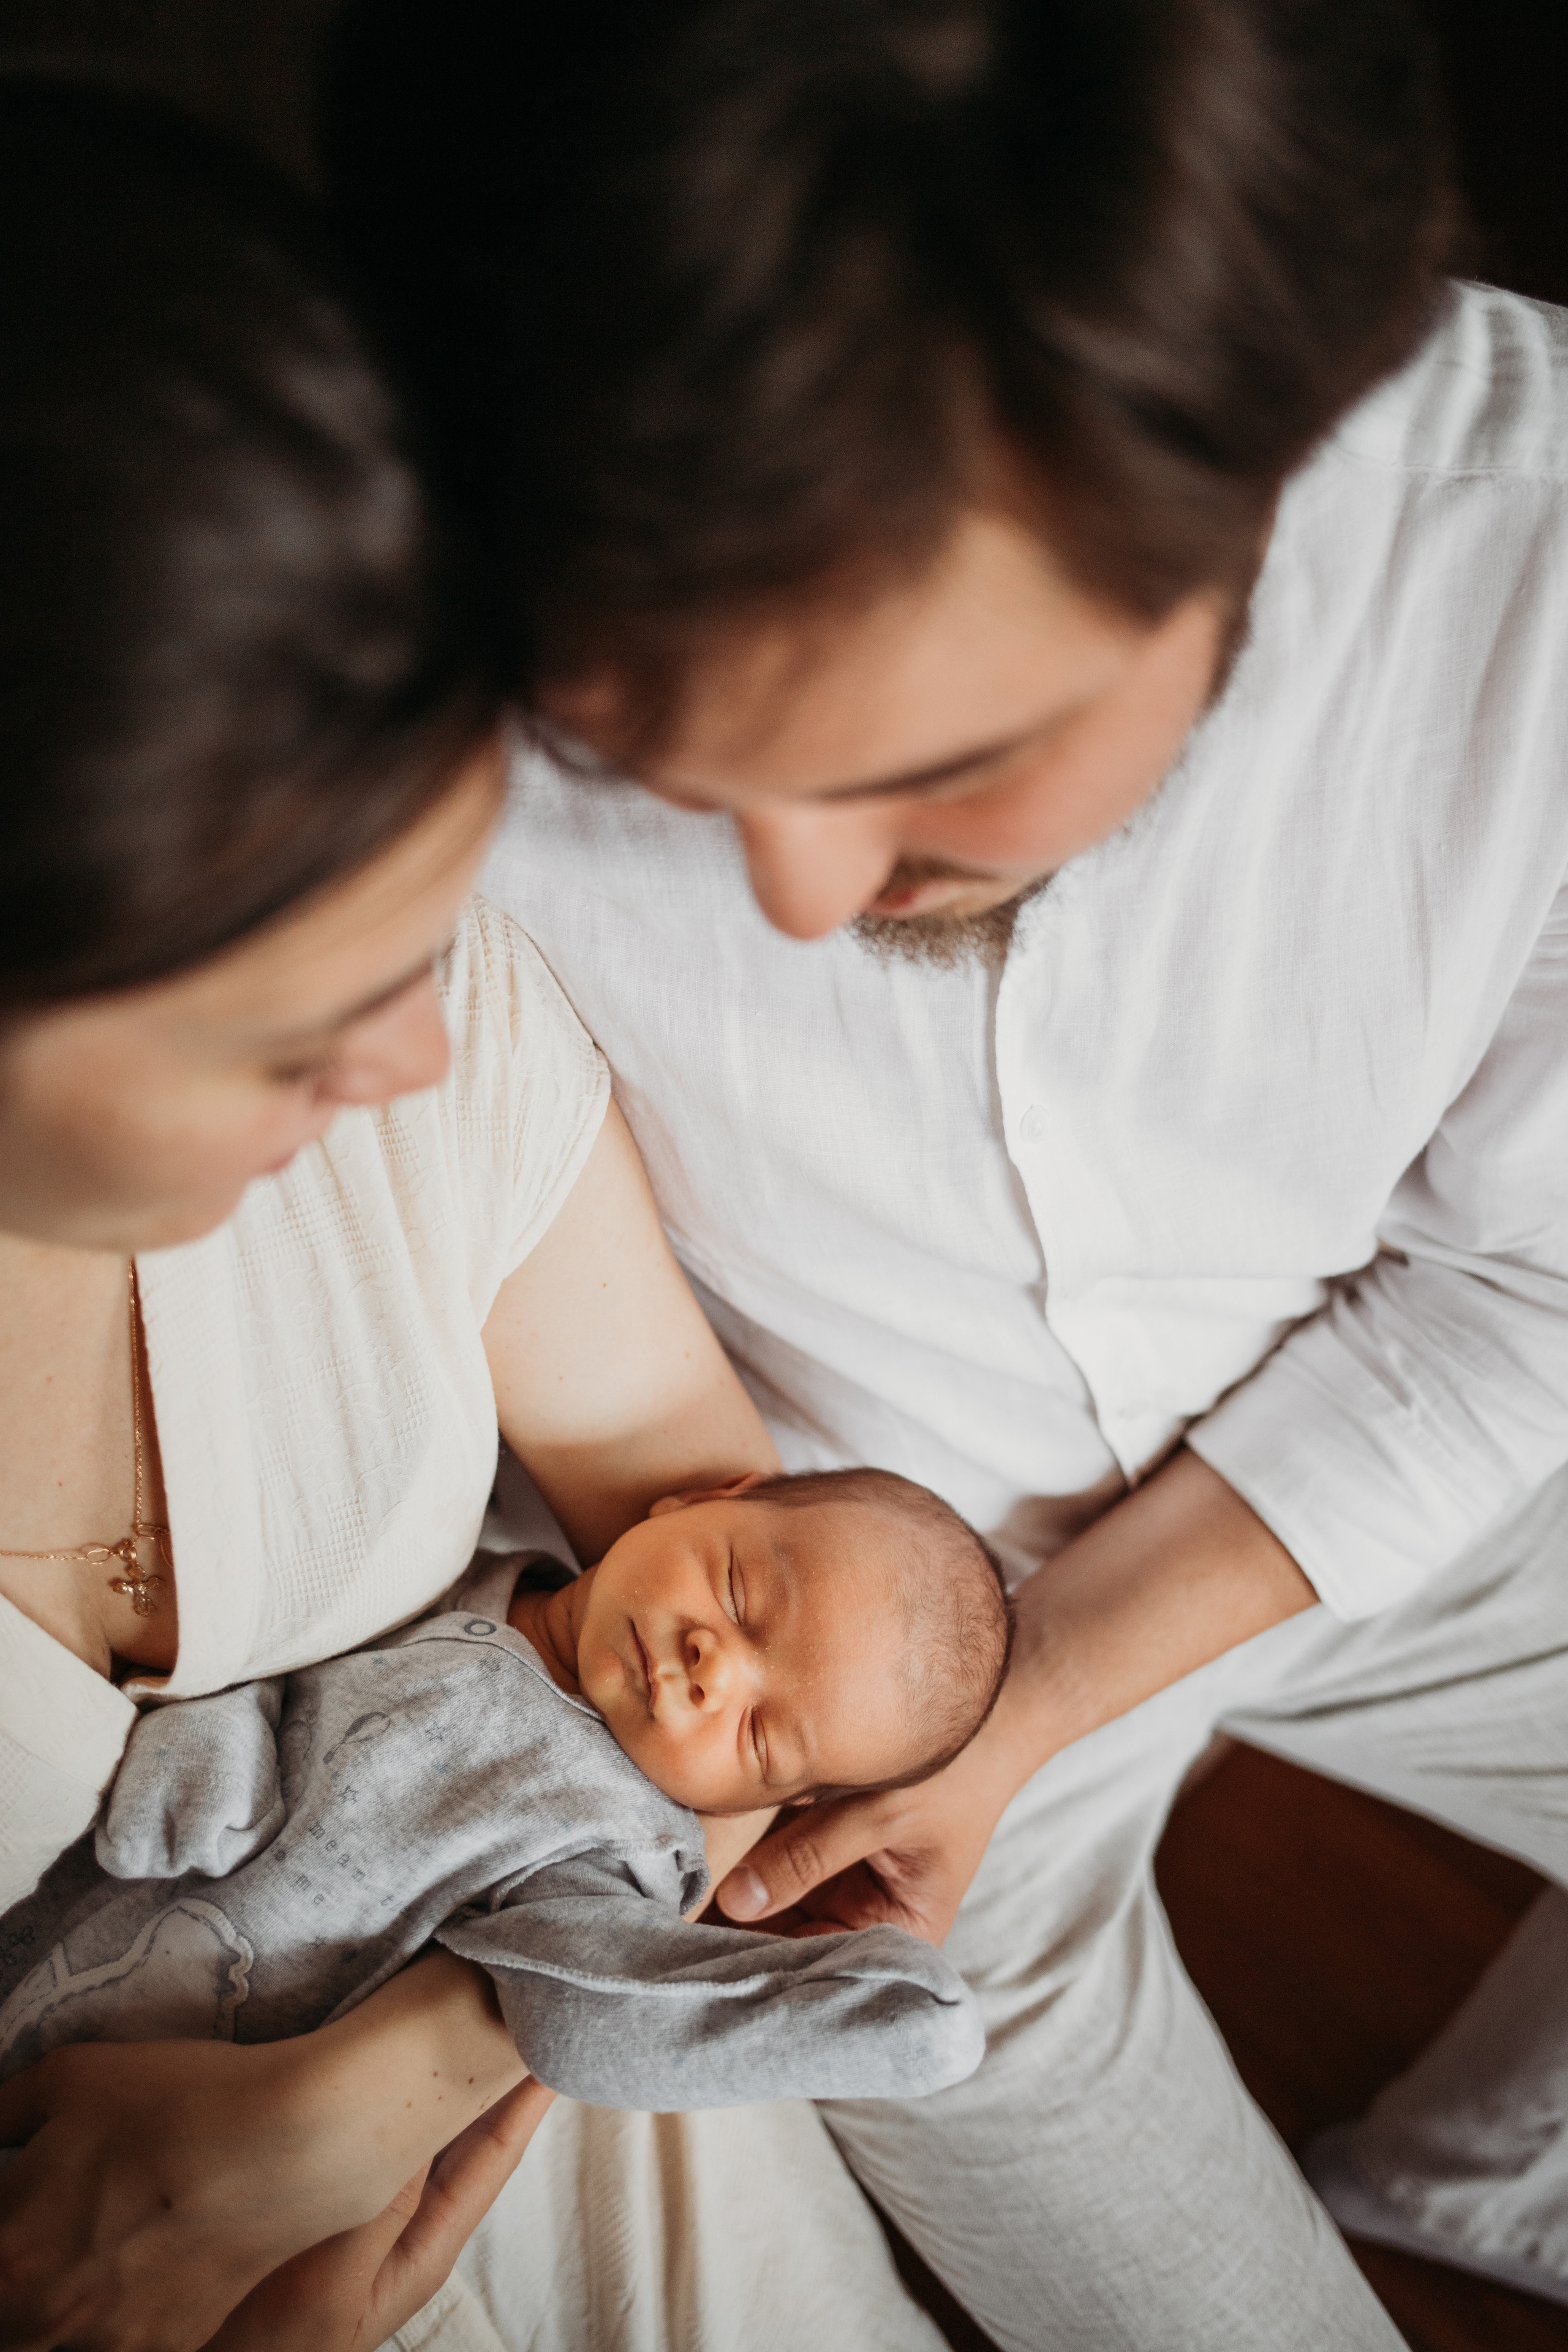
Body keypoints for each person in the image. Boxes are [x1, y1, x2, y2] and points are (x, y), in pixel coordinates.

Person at [325, 0, 1568, 2345]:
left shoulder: (1535, 581)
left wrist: (1074, 1668)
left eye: (949, 758)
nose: (793, 893)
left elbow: (1524, 1295)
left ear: (1275, 481)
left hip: (1408, 1461)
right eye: (645, 750)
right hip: (811, 1663)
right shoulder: (403, 547)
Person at [0, 77, 950, 2352]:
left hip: (509, 2090)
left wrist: (387, 2079)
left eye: (429, 940)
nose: (417, 1069)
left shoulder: (444, 1044)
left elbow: (770, 1717)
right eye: (304, 1015)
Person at [0, 1471, 1011, 2111]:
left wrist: (804, 2006)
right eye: (742, 1594)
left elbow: (586, 2010)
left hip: (162, 2109)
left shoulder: (617, 1849)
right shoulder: (437, 1550)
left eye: (758, 1733)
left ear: (778, 1803)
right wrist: (227, 1730)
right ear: (700, 1501)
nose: (715, 1669)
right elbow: (283, 1635)